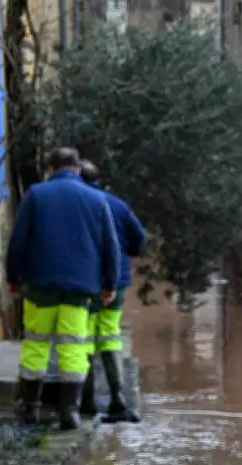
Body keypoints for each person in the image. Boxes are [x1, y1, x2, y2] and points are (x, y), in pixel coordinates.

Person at [6, 147, 121, 430]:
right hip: (79, 289)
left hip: (40, 286)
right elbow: (111, 246)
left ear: (51, 169)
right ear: (78, 169)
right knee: (73, 348)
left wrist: (13, 277)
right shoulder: (96, 199)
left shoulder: (36, 195)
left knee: (36, 346)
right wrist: (110, 284)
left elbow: (18, 240)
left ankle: (30, 409)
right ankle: (69, 411)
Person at [80, 160, 146, 422]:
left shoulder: (80, 205)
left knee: (83, 337)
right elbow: (139, 238)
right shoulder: (117, 204)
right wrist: (126, 255)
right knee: (109, 334)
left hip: (86, 281)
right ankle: (118, 398)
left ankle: (86, 399)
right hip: (117, 281)